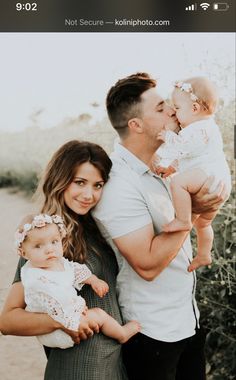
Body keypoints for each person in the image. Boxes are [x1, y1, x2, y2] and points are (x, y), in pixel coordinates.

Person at [92, 73, 228, 380]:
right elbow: (149, 265)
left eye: (170, 104)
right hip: (151, 334)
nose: (171, 111)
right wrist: (193, 215)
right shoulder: (118, 185)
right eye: (160, 107)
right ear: (136, 126)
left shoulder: (167, 167)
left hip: (187, 321)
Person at [0, 140, 129, 380]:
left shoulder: (98, 226)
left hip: (114, 364)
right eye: (79, 182)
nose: (89, 195)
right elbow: (8, 320)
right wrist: (61, 321)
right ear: (59, 181)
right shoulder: (45, 239)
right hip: (77, 368)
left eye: (98, 185)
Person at [16, 212, 140, 349]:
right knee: (99, 314)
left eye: (54, 242)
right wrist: (77, 308)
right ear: (23, 253)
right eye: (38, 246)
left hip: (59, 325)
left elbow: (74, 270)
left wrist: (93, 281)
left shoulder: (57, 263)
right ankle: (122, 334)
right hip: (57, 330)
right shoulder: (35, 277)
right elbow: (55, 301)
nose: (49, 250)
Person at [155, 77, 231, 271]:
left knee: (178, 184)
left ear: (195, 109)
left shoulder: (197, 129)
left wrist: (168, 137)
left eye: (178, 108)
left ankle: (182, 220)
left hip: (208, 175)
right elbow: (187, 158)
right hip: (217, 180)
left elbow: (182, 148)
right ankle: (204, 255)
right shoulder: (206, 127)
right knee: (204, 224)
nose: (174, 112)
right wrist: (170, 168)